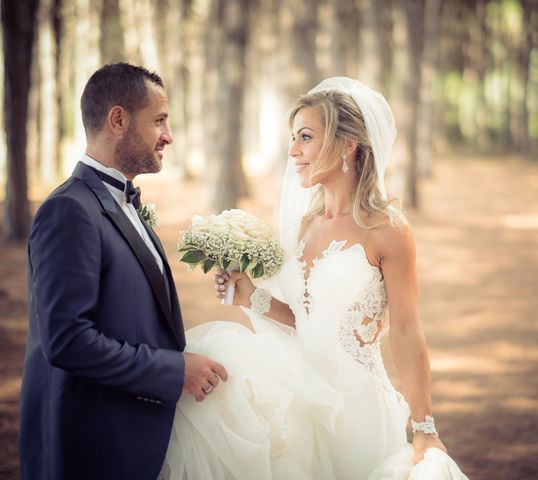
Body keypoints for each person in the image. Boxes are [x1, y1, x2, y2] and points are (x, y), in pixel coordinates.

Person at [163, 77, 468, 479]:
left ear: (347, 145)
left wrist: (425, 426)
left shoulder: (387, 230)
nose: (293, 152)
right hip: (300, 402)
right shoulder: (306, 225)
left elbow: (407, 330)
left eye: (305, 138)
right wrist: (251, 297)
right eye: (293, 138)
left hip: (354, 407)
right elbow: (308, 318)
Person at [19, 63, 228, 480]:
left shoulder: (121, 202)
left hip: (128, 439)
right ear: (118, 119)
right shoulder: (69, 210)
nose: (168, 135)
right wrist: (175, 370)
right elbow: (68, 340)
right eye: (160, 120)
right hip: (89, 448)